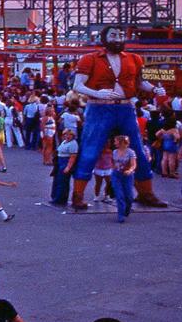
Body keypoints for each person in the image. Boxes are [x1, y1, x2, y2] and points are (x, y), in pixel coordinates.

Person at [67, 26, 169, 212]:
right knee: (91, 150)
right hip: (98, 107)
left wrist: (154, 89)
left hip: (125, 107)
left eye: (120, 35)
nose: (117, 38)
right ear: (104, 38)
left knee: (137, 149)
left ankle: (146, 193)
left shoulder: (134, 59)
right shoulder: (89, 58)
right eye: (113, 35)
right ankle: (78, 195)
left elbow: (140, 82)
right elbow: (77, 85)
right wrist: (96, 92)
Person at [109, 134, 138, 223]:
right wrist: (112, 172)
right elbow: (113, 163)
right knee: (119, 195)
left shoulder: (130, 152)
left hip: (127, 175)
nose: (114, 143)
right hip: (116, 174)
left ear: (121, 142)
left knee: (129, 196)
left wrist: (130, 170)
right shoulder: (114, 152)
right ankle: (120, 215)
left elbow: (133, 164)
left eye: (116, 141)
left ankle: (127, 208)